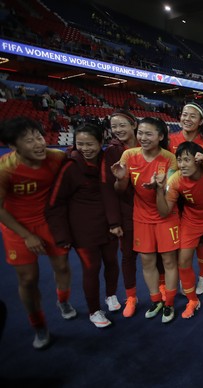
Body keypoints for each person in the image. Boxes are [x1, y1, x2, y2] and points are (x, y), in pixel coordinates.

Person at [0, 117, 76, 349]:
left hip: (50, 222)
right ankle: (39, 325)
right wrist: (27, 235)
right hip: (17, 226)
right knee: (28, 279)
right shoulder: (5, 169)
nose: (38, 144)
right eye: (28, 140)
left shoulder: (57, 158)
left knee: (62, 266)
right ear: (13, 147)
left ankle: (63, 301)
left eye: (39, 137)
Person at [46, 123, 120, 328]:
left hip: (109, 224)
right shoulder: (70, 166)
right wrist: (62, 236)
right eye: (81, 144)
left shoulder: (108, 161)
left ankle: (111, 296)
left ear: (101, 142)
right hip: (83, 230)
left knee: (112, 262)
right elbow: (54, 204)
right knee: (92, 269)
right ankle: (94, 310)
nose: (86, 149)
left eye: (90, 144)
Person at [155, 142, 203, 320]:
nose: (182, 164)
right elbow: (164, 211)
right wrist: (159, 191)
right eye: (179, 160)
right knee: (183, 261)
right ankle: (192, 300)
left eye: (186, 160)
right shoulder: (175, 179)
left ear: (198, 160)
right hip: (191, 222)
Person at [111, 117, 179, 323]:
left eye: (149, 134)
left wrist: (160, 187)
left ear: (160, 136)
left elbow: (169, 193)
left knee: (168, 261)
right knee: (147, 261)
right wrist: (121, 179)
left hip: (166, 216)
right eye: (140, 133)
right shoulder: (128, 155)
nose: (143, 137)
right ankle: (156, 299)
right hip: (141, 217)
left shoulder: (169, 158)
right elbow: (120, 191)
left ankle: (169, 303)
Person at [101, 110, 141, 317]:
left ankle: (161, 292)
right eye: (114, 127)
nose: (118, 130)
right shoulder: (112, 151)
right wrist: (114, 221)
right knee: (128, 256)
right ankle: (131, 296)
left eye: (122, 125)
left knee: (159, 254)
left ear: (133, 125)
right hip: (127, 213)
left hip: (152, 210)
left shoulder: (148, 143)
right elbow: (109, 189)